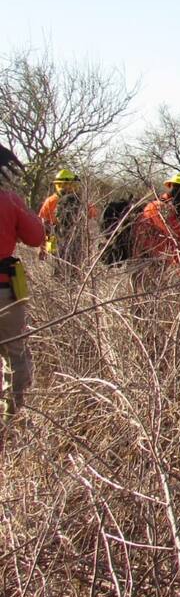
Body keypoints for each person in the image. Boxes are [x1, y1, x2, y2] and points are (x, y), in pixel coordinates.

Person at [0, 145, 47, 420]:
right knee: (15, 355)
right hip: (5, 291)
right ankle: (12, 418)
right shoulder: (8, 200)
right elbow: (35, 236)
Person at [38, 168, 96, 279]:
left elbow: (43, 226)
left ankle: (61, 291)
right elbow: (92, 217)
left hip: (54, 239)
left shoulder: (50, 201)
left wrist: (43, 248)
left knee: (56, 270)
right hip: (76, 240)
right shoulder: (82, 201)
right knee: (75, 271)